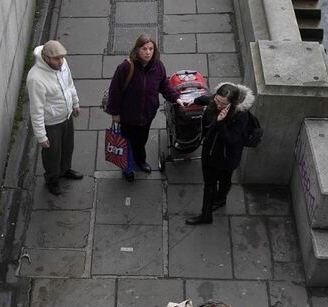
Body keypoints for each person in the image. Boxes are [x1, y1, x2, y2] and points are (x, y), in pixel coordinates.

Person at [105, 34, 184, 181]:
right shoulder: (126, 67)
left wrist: (176, 98)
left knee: (141, 141)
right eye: (144, 49)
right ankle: (127, 168)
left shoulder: (158, 66)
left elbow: (164, 86)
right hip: (128, 116)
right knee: (127, 142)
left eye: (151, 49)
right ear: (137, 50)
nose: (148, 52)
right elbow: (114, 91)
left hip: (147, 115)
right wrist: (114, 113)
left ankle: (140, 161)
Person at [186, 83, 254, 225]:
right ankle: (220, 200)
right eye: (217, 100)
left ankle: (206, 216)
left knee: (213, 184)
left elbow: (231, 140)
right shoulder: (216, 101)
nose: (217, 105)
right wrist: (193, 100)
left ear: (233, 103)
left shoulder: (240, 116)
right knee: (218, 182)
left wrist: (220, 123)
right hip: (211, 152)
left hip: (225, 158)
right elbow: (208, 99)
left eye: (222, 104)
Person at [26, 40, 83, 196]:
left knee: (67, 147)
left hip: (66, 116)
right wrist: (41, 136)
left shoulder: (62, 64)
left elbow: (69, 84)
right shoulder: (35, 79)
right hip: (51, 124)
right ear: (46, 58)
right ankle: (52, 180)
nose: (61, 61)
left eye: (62, 57)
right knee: (52, 154)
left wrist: (75, 103)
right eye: (57, 59)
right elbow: (36, 110)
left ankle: (64, 170)